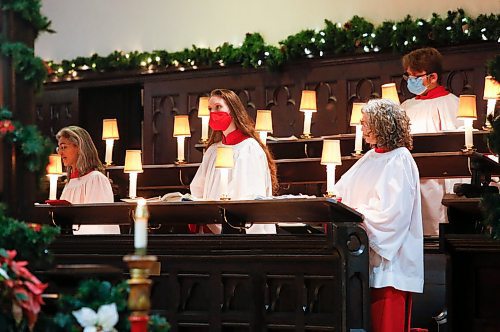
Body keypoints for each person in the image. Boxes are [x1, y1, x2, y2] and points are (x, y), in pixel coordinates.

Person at [333, 99, 423, 332]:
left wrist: (358, 216)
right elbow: (341, 191)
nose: (362, 128)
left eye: (366, 123)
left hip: (388, 263)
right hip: (362, 257)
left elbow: (394, 213)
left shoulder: (400, 159)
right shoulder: (371, 157)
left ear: (382, 124)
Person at [190, 89, 278, 234]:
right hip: (214, 230)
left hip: (243, 231)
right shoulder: (212, 151)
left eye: (218, 107)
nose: (213, 113)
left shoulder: (249, 149)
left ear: (233, 109)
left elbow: (251, 196)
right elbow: (198, 189)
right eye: (210, 109)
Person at [401, 47, 461, 236]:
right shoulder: (406, 106)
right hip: (409, 178)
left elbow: (458, 146)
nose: (410, 81)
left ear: (432, 77)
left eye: (415, 77)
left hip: (436, 180)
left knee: (434, 228)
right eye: (408, 76)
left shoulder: (452, 104)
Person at [56, 126, 120, 235]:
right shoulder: (70, 183)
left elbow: (97, 221)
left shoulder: (96, 179)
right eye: (59, 148)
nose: (60, 153)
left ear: (79, 147)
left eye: (64, 147)